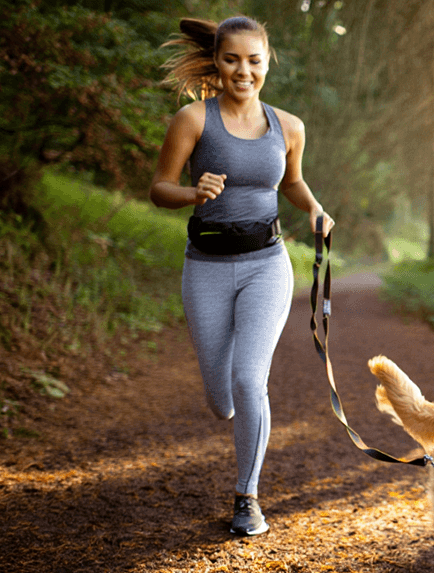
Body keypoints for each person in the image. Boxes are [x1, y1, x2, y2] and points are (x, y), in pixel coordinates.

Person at [150, 16, 334, 537]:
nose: (243, 71)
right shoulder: (193, 119)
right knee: (220, 398)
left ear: (267, 62)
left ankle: (247, 496)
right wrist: (193, 193)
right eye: (232, 59)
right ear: (217, 62)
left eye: (254, 60)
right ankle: (234, 407)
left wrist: (316, 210)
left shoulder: (289, 126)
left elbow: (293, 183)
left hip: (267, 264)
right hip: (205, 265)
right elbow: (159, 187)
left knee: (250, 379)